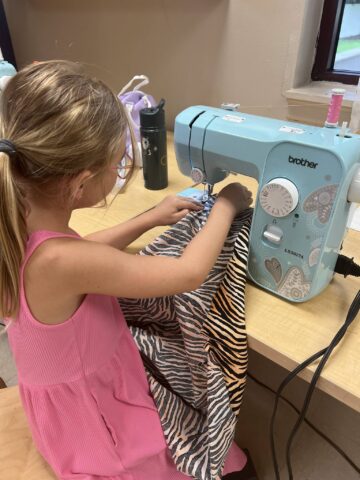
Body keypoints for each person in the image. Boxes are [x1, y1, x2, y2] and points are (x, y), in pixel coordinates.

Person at [0, 60, 253, 480]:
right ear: (80, 183)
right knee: (193, 456)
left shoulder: (17, 227)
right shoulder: (64, 262)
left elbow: (77, 255)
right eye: (118, 165)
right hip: (102, 423)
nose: (121, 172)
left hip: (61, 411)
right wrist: (226, 205)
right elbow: (189, 274)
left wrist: (147, 219)